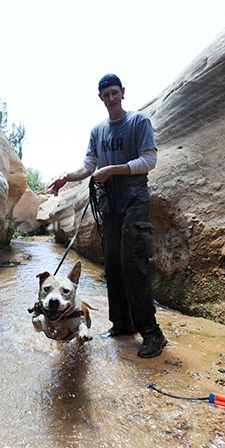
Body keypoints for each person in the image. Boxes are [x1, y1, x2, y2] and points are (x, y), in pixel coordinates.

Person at [48, 73, 167, 358]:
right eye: (106, 94)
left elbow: (149, 160)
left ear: (123, 92)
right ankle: (122, 324)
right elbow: (89, 165)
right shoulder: (97, 131)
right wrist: (67, 176)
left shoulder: (138, 122)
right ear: (100, 97)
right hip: (109, 206)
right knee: (112, 265)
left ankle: (152, 333)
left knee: (134, 264)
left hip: (134, 202)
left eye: (115, 92)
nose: (111, 98)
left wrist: (114, 169)